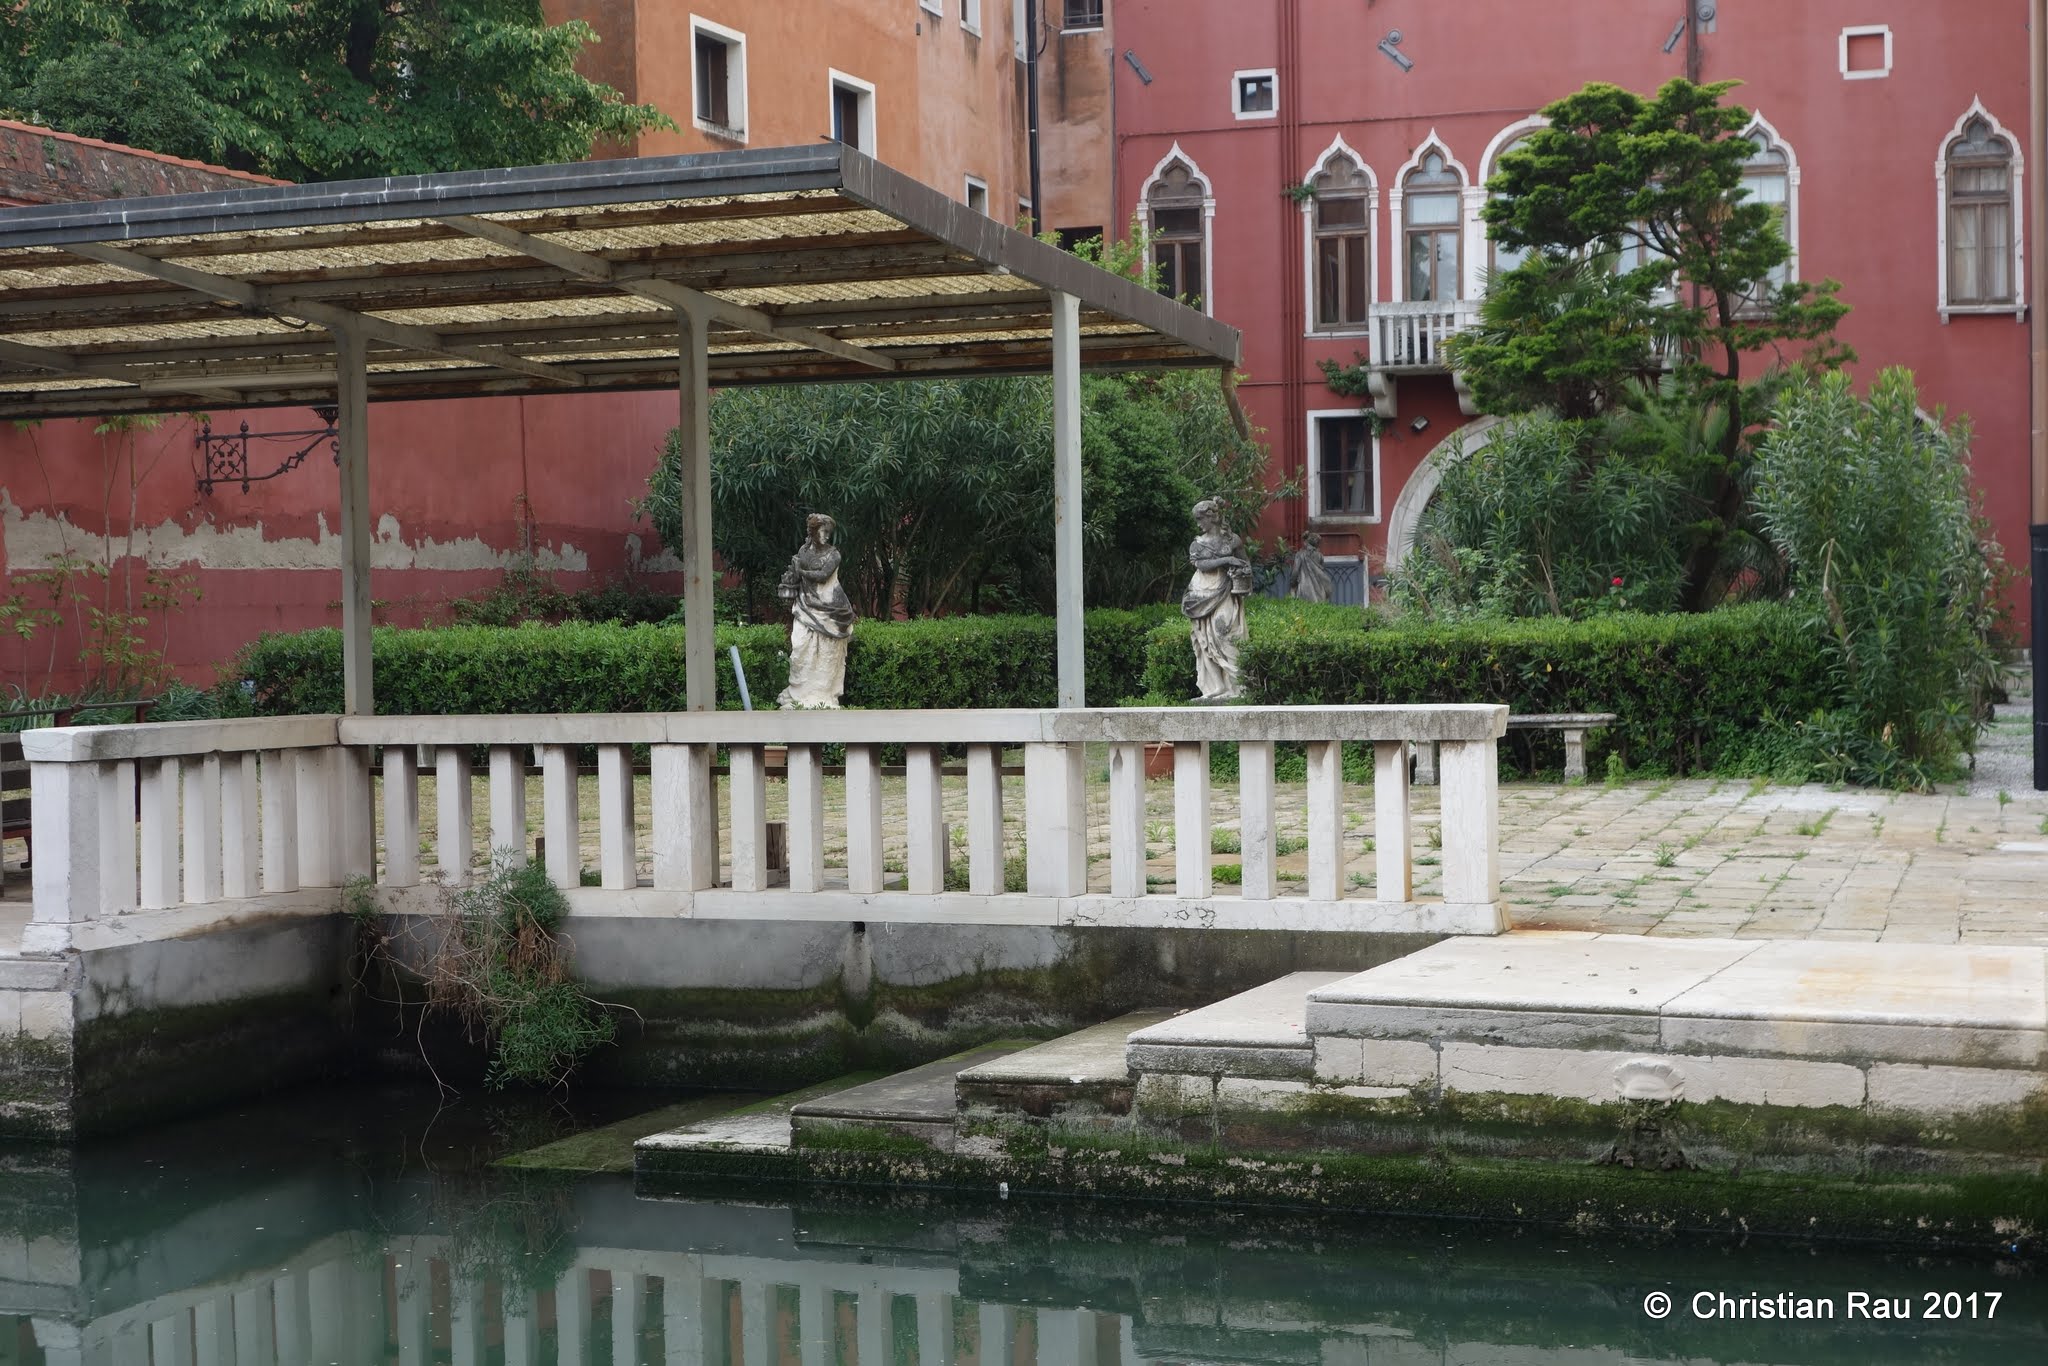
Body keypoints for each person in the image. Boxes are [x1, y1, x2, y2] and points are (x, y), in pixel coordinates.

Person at [776, 513, 856, 708]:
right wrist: (791, 575)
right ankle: (800, 694)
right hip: (806, 605)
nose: (826, 536)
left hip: (831, 608)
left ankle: (823, 695)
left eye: (829, 532)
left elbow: (822, 575)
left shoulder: (833, 554)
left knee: (827, 652)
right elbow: (795, 575)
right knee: (800, 647)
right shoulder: (804, 551)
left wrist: (800, 571)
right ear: (813, 532)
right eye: (823, 532)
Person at [1181, 497, 1250, 701]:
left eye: (1200, 518)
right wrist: (1227, 560)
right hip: (1200, 592)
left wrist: (1243, 571)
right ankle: (1215, 687)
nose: (1198, 524)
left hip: (1225, 590)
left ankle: (1238, 685)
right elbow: (1202, 566)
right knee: (1204, 639)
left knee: (1224, 632)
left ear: (1211, 517)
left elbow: (1245, 561)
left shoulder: (1232, 539)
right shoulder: (1197, 544)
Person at [1288, 531, 1334, 604]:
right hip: (1319, 588)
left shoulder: (1300, 555)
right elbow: (1320, 571)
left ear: (1306, 542)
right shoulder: (1320, 556)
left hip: (1305, 587)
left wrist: (1292, 584)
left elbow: (1295, 571)